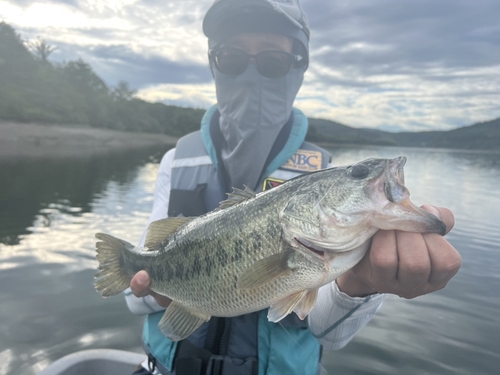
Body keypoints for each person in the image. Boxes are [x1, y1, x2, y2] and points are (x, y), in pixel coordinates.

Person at [125, 1, 461, 374]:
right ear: (212, 64)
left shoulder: (323, 175)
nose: (251, 75)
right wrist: (154, 291)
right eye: (232, 59)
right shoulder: (177, 160)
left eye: (272, 62)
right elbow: (133, 297)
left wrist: (362, 285)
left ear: (298, 67)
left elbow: (328, 334)